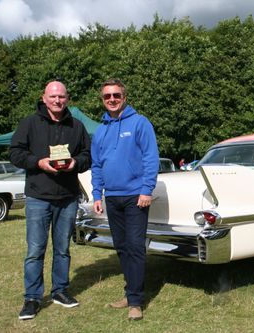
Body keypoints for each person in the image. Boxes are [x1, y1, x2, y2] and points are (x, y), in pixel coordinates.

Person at [10, 81, 91, 320]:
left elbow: (88, 155)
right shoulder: (30, 123)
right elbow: (15, 152)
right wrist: (38, 162)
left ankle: (60, 291)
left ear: (67, 99)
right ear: (44, 98)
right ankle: (32, 298)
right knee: (35, 250)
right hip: (38, 197)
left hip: (67, 198)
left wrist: (76, 163)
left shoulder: (77, 126)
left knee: (63, 249)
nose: (58, 101)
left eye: (62, 97)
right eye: (53, 96)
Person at [91, 78, 159, 321]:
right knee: (121, 247)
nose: (112, 99)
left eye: (116, 95)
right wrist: (97, 194)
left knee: (134, 246)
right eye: (107, 96)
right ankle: (130, 293)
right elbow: (96, 165)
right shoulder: (100, 130)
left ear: (124, 97)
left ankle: (136, 302)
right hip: (112, 198)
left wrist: (146, 189)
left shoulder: (140, 123)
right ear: (102, 99)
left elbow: (151, 157)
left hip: (135, 197)